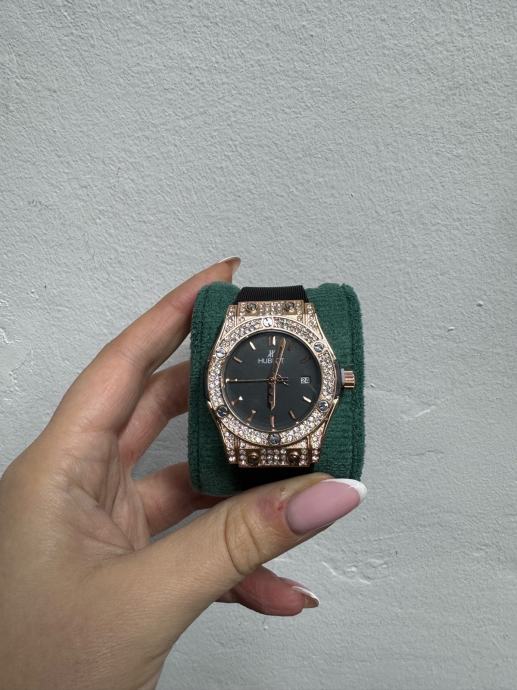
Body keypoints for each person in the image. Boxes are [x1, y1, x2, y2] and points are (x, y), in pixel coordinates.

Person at [0, 257, 366, 690]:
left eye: (278, 380)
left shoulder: (305, 345)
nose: (272, 383)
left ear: (340, 380)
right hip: (240, 438)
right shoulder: (239, 376)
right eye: (269, 380)